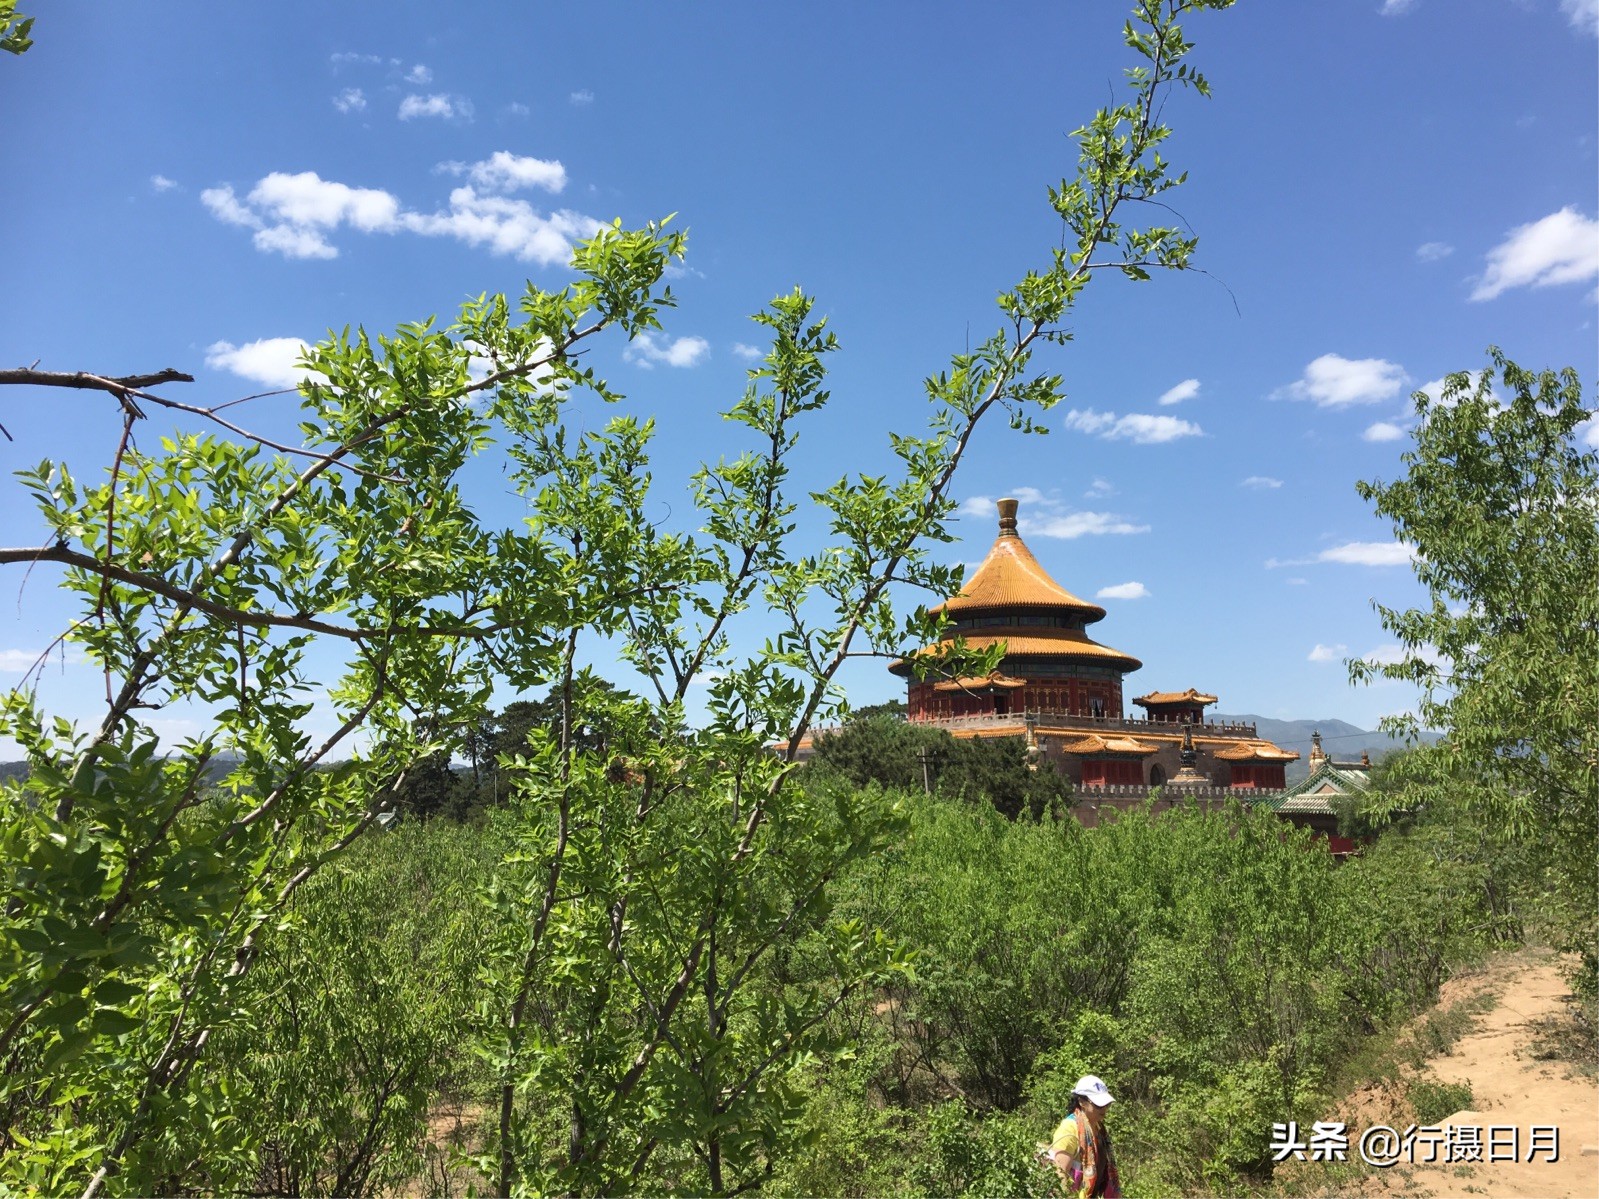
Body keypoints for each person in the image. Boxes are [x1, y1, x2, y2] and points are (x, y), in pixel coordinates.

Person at [1045, 1075, 1120, 1198]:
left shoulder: (1100, 1129)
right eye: (1099, 1105)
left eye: (1107, 1104)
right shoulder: (1069, 1128)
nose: (1105, 1108)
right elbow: (1060, 1176)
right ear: (1082, 1102)